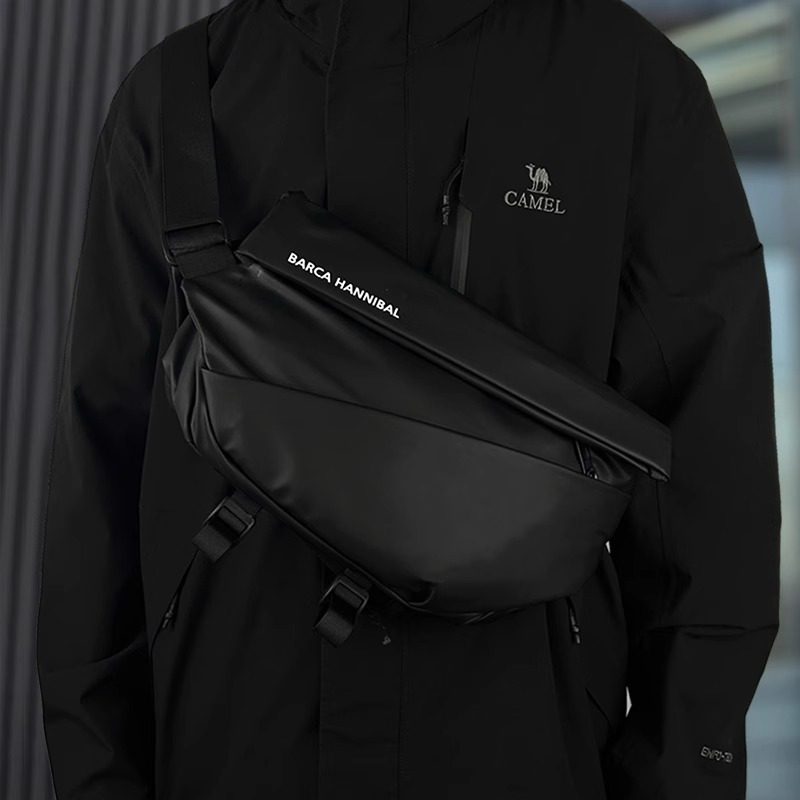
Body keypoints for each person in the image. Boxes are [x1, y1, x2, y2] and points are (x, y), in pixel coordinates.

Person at [36, 1, 782, 798]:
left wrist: (685, 776)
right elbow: (100, 479)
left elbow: (711, 496)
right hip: (234, 752)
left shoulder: (628, 86)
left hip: (519, 755)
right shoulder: (180, 95)